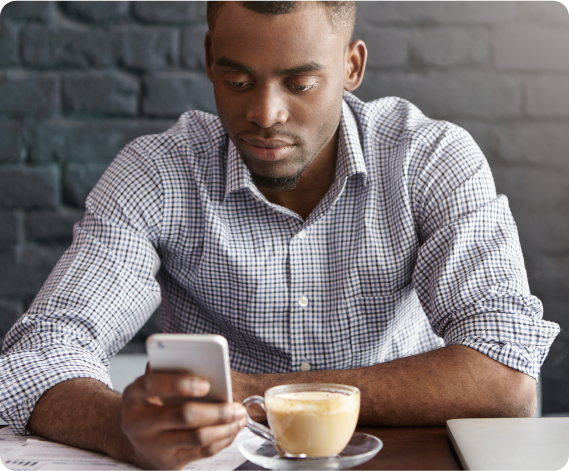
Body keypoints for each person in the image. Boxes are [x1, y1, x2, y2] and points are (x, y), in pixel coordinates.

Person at [0, 0, 560, 470]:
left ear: (352, 66)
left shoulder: (429, 160)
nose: (265, 114)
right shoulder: (157, 175)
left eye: (300, 82)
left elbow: (505, 378)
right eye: (238, 80)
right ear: (208, 60)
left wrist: (260, 392)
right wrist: (118, 425)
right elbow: (35, 358)